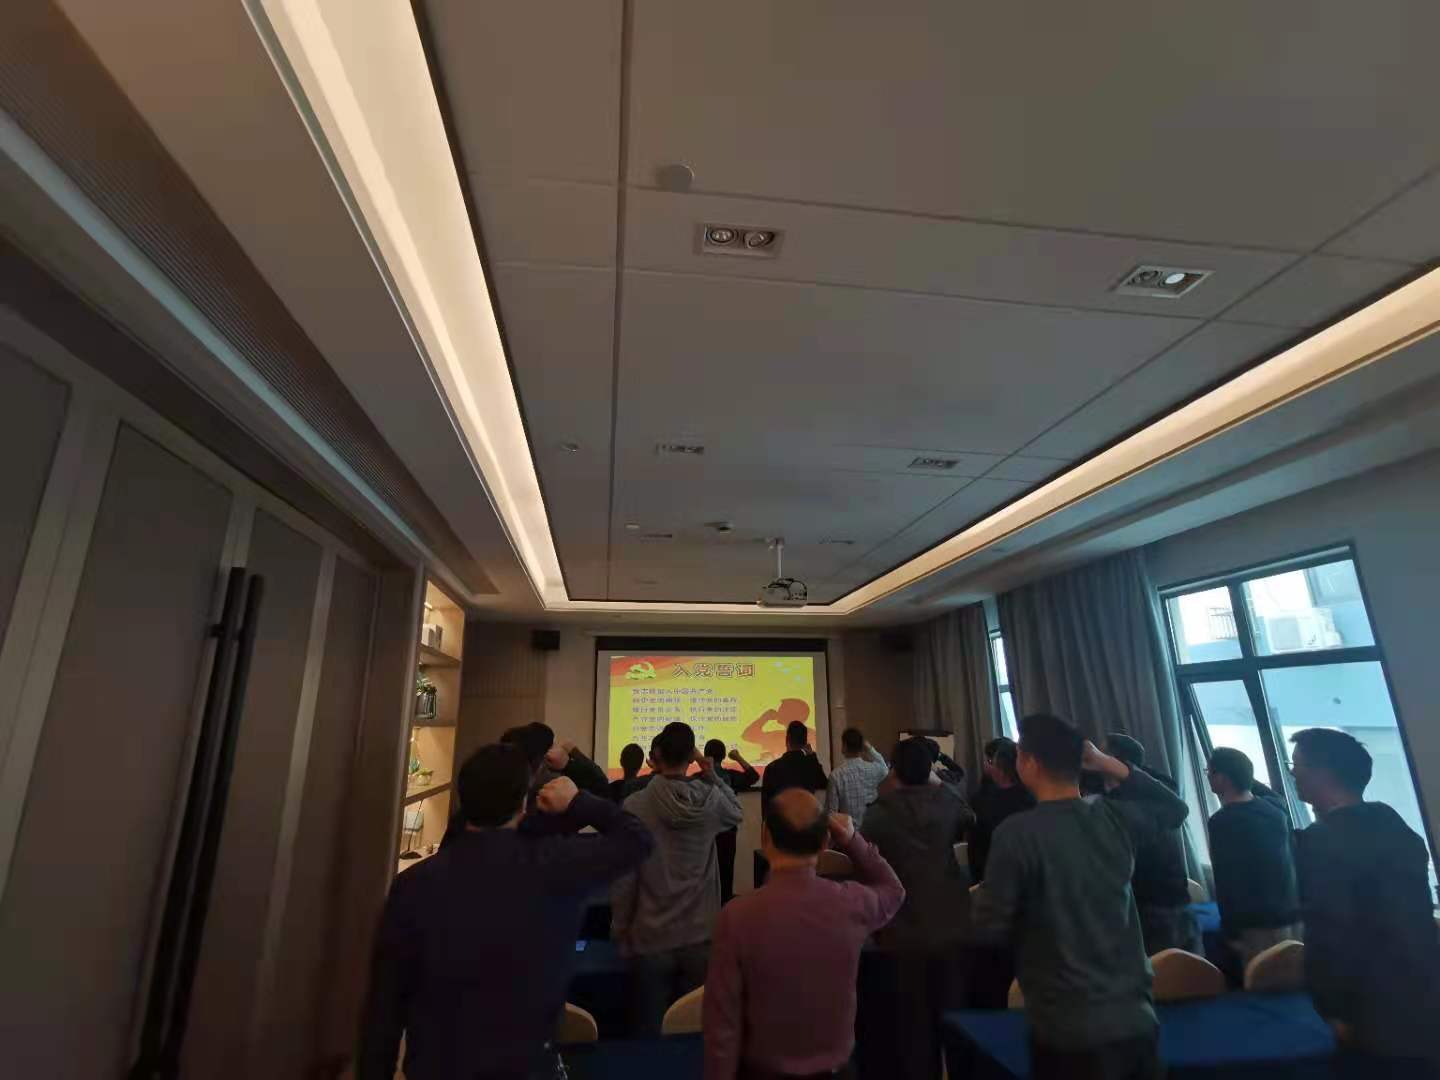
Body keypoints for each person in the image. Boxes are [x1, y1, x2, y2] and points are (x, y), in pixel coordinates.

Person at [356, 743, 652, 1080]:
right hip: (528, 1068)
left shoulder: (413, 884)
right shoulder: (556, 865)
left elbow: (384, 1011)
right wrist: (577, 801)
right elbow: (637, 839)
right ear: (524, 801)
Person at [973, 713, 1190, 1080]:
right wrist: (1108, 763)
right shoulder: (1112, 817)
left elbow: (991, 926)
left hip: (1065, 1024)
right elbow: (1175, 808)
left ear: (1030, 763)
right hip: (1135, 1015)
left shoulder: (1016, 833)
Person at [703, 791, 905, 1080]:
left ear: (765, 837)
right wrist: (851, 839)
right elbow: (894, 890)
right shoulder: (850, 903)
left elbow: (722, 1025)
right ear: (825, 842)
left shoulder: (736, 917)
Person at [1289, 728, 1440, 1066]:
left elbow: (1330, 932)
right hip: (1423, 983)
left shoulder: (1321, 841)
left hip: (1369, 1002)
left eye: (1296, 765)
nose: (1293, 774)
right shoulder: (1392, 823)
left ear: (1322, 773)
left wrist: (1334, 1008)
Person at [613, 721, 743, 1035]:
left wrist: (619, 928)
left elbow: (625, 878)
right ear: (691, 757)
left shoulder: (635, 805)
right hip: (700, 936)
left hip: (650, 938)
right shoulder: (712, 801)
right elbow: (737, 811)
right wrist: (710, 773)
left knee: (648, 1034)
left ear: (656, 755)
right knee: (695, 1035)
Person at [860, 738, 977, 1080]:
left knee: (912, 1026)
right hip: (951, 924)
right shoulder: (949, 802)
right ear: (929, 770)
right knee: (955, 1016)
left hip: (901, 930)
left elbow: (865, 859)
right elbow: (969, 818)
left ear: (894, 771)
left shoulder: (879, 814)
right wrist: (938, 784)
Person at [1104, 733, 1200, 956]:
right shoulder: (1160, 790)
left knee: (1165, 971)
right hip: (1172, 900)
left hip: (1152, 905)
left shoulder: (1132, 804)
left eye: (1104, 755)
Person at [1205, 747, 1300, 969]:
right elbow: (1268, 793)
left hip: (1256, 924)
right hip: (1291, 914)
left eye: (1209, 772)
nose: (1208, 777)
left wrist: (1229, 930)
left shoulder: (1222, 822)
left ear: (1222, 778)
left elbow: (1227, 879)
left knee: (1263, 980)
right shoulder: (1275, 809)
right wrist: (1242, 776)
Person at [968, 737, 1036, 883]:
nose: (986, 765)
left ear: (1000, 768)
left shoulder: (984, 802)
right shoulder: (1032, 795)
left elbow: (977, 847)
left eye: (990, 761)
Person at [705, 739, 760, 904]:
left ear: (706, 756)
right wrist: (737, 757)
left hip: (704, 834)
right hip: (728, 832)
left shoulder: (698, 777)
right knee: (726, 873)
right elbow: (754, 776)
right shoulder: (730, 776)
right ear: (723, 756)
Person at [759, 720, 828, 817]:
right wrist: (812, 756)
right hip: (805, 820)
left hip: (781, 821)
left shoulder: (772, 768)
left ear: (787, 739)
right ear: (805, 743)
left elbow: (766, 805)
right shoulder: (811, 766)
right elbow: (823, 783)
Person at [824, 727, 889, 827]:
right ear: (862, 746)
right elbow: (884, 768)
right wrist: (869, 748)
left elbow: (831, 814)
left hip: (848, 833)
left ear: (844, 747)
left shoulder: (836, 775)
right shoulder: (874, 769)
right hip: (872, 831)